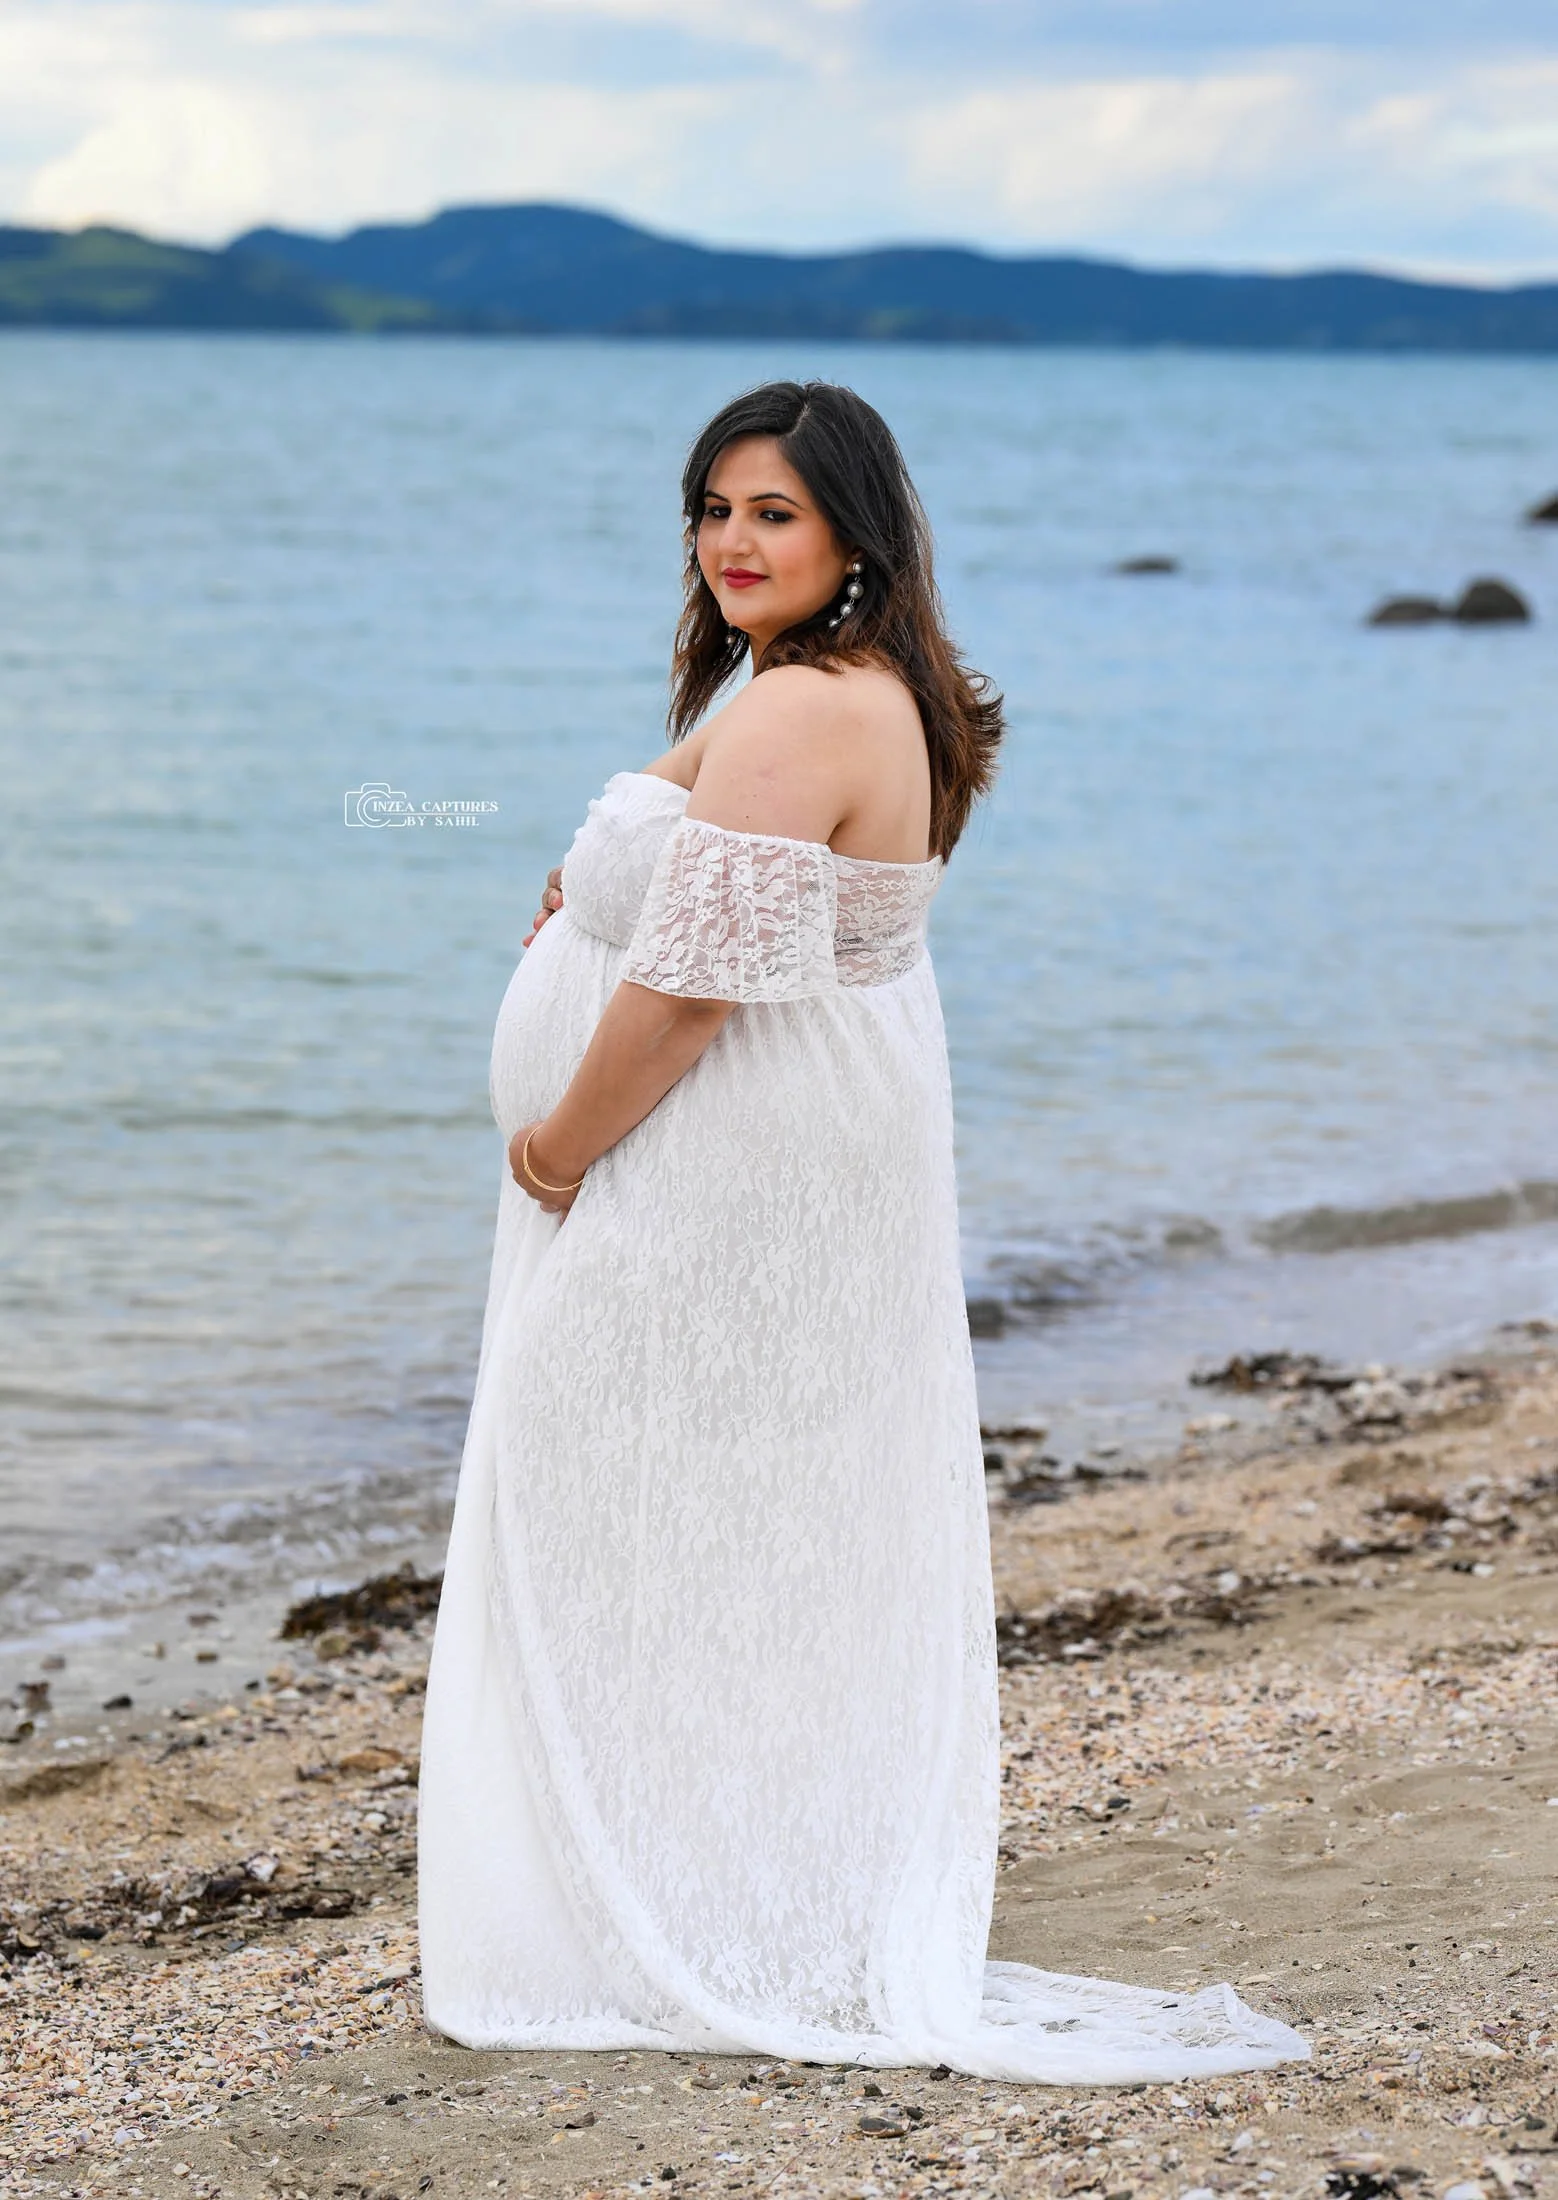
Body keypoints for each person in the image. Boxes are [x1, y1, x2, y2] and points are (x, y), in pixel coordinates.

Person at [417, 379, 1309, 2081]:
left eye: (774, 514)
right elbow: (673, 866)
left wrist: (550, 1150)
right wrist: (593, 878)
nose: (732, 541)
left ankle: (682, 1907)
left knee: (625, 1498)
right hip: (763, 1145)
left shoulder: (807, 711)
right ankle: (716, 1884)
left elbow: (684, 994)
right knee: (705, 1509)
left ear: (852, 536)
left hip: (716, 1151)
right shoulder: (813, 687)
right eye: (714, 507)